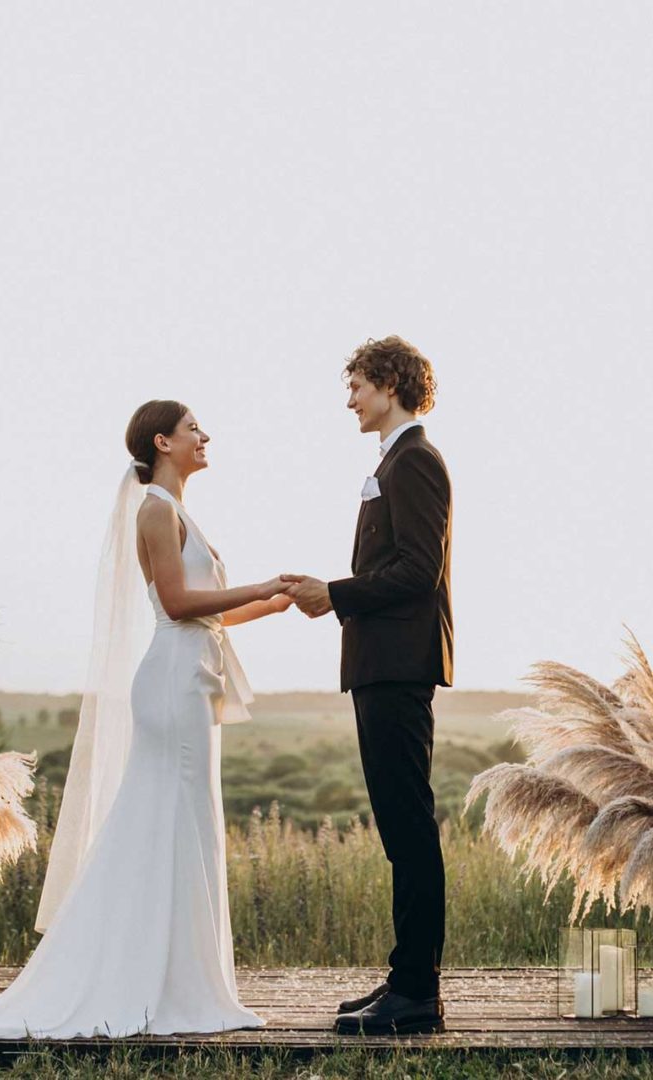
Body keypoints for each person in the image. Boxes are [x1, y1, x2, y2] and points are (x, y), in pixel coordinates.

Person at [0, 398, 292, 1038]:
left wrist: (276, 601)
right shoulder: (156, 510)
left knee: (187, 825)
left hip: (193, 681)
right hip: (173, 683)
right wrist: (260, 584)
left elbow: (209, 612)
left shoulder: (179, 511)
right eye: (192, 429)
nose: (204, 436)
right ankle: (155, 983)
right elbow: (178, 604)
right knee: (170, 820)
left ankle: (185, 979)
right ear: (162, 441)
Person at [284, 336, 453, 1036]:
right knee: (399, 829)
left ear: (390, 383)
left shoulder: (415, 461)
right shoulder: (394, 460)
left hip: (398, 665)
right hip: (382, 665)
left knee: (409, 828)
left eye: (355, 384)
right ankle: (405, 980)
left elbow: (418, 572)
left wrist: (335, 593)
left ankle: (416, 993)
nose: (349, 398)